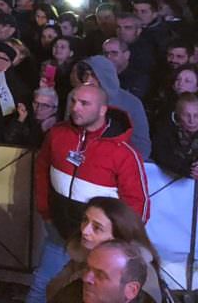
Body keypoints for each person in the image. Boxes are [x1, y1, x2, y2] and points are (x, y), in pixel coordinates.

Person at [28, 84, 149, 303]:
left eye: (84, 103)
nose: (75, 107)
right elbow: (42, 170)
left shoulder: (124, 153)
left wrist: (118, 242)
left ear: (102, 109)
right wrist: (45, 211)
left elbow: (137, 203)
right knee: (42, 286)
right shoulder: (57, 134)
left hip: (101, 243)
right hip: (59, 232)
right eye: (74, 101)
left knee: (92, 294)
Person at [46, 196, 164, 303]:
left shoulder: (137, 272)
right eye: (85, 220)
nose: (85, 231)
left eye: (97, 228)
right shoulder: (82, 255)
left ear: (118, 235)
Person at [51, 240, 156, 303]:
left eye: (100, 275)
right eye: (87, 268)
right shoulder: (72, 293)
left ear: (131, 290)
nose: (86, 278)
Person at [151, 91, 198, 179]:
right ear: (177, 116)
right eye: (186, 115)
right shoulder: (164, 130)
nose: (192, 121)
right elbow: (161, 154)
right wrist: (189, 169)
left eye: (196, 115)